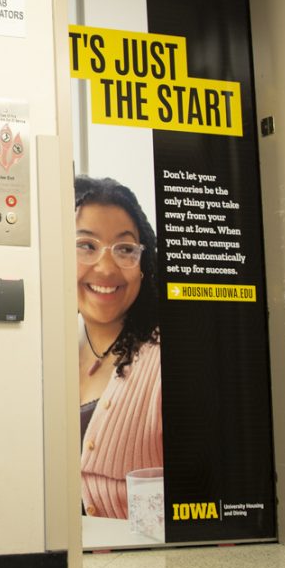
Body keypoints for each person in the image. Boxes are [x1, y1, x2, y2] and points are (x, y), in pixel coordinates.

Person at [75, 176, 162, 519]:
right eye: (86, 245)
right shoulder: (41, 348)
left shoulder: (162, 360)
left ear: (144, 265)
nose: (106, 267)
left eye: (125, 249)